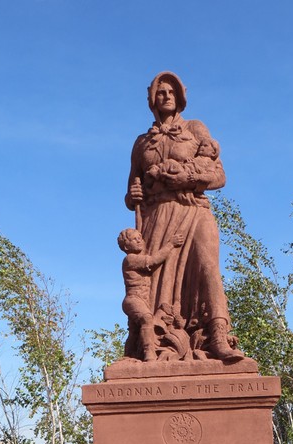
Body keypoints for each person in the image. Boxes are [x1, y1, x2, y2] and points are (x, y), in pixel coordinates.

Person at [124, 71, 243, 363]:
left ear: (180, 97)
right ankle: (156, 342)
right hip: (157, 218)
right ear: (152, 99)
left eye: (171, 92)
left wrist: (186, 176)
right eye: (161, 92)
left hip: (193, 210)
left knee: (207, 268)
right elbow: (130, 194)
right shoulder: (141, 143)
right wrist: (134, 194)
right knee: (155, 286)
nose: (166, 96)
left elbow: (219, 176)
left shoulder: (195, 129)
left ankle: (217, 337)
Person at [117, 227, 184, 361]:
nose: (139, 241)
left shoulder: (137, 257)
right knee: (147, 318)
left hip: (142, 300)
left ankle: (129, 355)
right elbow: (153, 261)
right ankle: (149, 353)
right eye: (133, 239)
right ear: (125, 246)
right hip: (133, 299)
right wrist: (171, 244)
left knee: (135, 331)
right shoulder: (130, 259)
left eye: (139, 238)